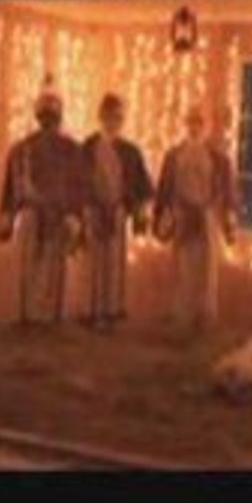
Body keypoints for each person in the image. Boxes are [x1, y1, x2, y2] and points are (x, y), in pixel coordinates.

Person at [0, 83, 86, 325]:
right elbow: (12, 188)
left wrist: (74, 217)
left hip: (53, 217)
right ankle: (35, 316)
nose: (48, 120)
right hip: (37, 215)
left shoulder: (69, 150)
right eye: (46, 115)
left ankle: (43, 317)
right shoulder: (23, 149)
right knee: (35, 269)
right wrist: (8, 215)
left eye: (51, 115)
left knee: (48, 270)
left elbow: (77, 187)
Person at [154, 105, 238, 330]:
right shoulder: (174, 156)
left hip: (206, 214)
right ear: (186, 124)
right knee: (182, 265)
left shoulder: (217, 158)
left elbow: (227, 190)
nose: (195, 127)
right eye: (191, 122)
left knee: (207, 267)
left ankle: (205, 314)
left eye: (198, 123)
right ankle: (181, 312)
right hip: (182, 214)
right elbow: (164, 187)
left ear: (204, 126)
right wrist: (162, 214)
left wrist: (229, 219)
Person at [80, 93, 154, 332]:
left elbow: (143, 186)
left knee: (113, 262)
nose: (113, 122)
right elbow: (77, 181)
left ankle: (111, 311)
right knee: (93, 263)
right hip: (93, 211)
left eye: (117, 118)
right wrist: (82, 211)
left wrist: (139, 210)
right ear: (101, 117)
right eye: (109, 116)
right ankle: (92, 310)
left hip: (118, 211)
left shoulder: (130, 151)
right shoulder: (88, 147)